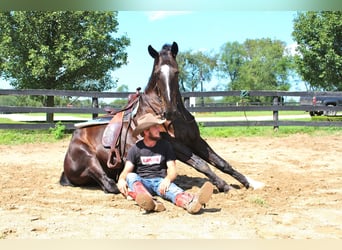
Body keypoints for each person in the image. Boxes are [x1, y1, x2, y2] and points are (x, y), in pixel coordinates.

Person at [117, 113, 213, 214]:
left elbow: (172, 169)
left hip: (160, 182)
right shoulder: (136, 149)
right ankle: (148, 201)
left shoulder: (165, 146)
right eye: (154, 127)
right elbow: (127, 170)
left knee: (174, 191)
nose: (158, 129)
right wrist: (121, 179)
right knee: (131, 176)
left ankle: (190, 203)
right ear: (146, 131)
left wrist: (167, 180)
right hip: (142, 182)